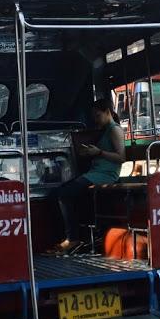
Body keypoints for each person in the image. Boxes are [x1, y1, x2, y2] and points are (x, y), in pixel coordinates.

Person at [50, 98, 125, 254]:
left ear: (107, 112)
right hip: (95, 173)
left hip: (106, 175)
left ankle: (73, 238)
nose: (96, 120)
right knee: (58, 192)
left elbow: (121, 157)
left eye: (98, 116)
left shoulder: (114, 130)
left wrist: (99, 152)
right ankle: (69, 237)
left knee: (65, 194)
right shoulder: (105, 131)